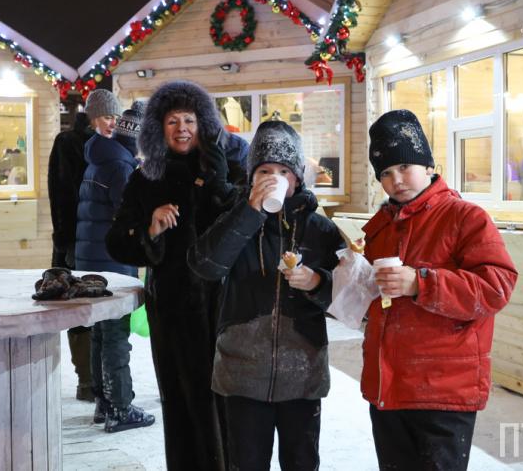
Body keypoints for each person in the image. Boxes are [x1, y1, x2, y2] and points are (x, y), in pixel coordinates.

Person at [362, 109, 518, 471]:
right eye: (385, 173)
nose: (396, 179)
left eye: (404, 166)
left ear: (428, 166)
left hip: (443, 391)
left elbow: (496, 286)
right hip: (389, 386)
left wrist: (421, 283)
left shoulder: (465, 217)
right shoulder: (380, 228)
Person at [106, 80, 247, 470]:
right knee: (182, 400)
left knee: (229, 400)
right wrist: (149, 229)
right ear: (159, 128)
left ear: (203, 125)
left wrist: (219, 185)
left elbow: (247, 224)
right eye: (172, 121)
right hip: (173, 308)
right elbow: (116, 241)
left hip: (227, 305)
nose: (182, 128)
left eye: (189, 120)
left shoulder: (230, 166)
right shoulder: (146, 178)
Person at [187, 120, 344, 471]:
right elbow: (204, 266)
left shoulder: (320, 229)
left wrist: (316, 283)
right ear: (251, 177)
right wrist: (249, 213)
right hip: (241, 374)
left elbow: (347, 301)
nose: (274, 178)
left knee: (301, 462)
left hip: (302, 374)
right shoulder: (234, 218)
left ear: (297, 178)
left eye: (284, 171)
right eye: (264, 171)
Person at [75, 89, 155, 433]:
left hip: (91, 258)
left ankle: (103, 403)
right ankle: (120, 407)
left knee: (100, 332)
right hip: (112, 261)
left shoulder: (98, 158)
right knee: (115, 335)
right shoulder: (121, 167)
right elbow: (130, 216)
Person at [47, 111, 94, 401]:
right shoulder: (68, 143)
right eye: (106, 116)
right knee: (78, 308)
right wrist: (65, 241)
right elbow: (61, 195)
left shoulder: (110, 144)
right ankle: (86, 380)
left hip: (96, 243)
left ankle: (95, 380)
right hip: (74, 241)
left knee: (95, 307)